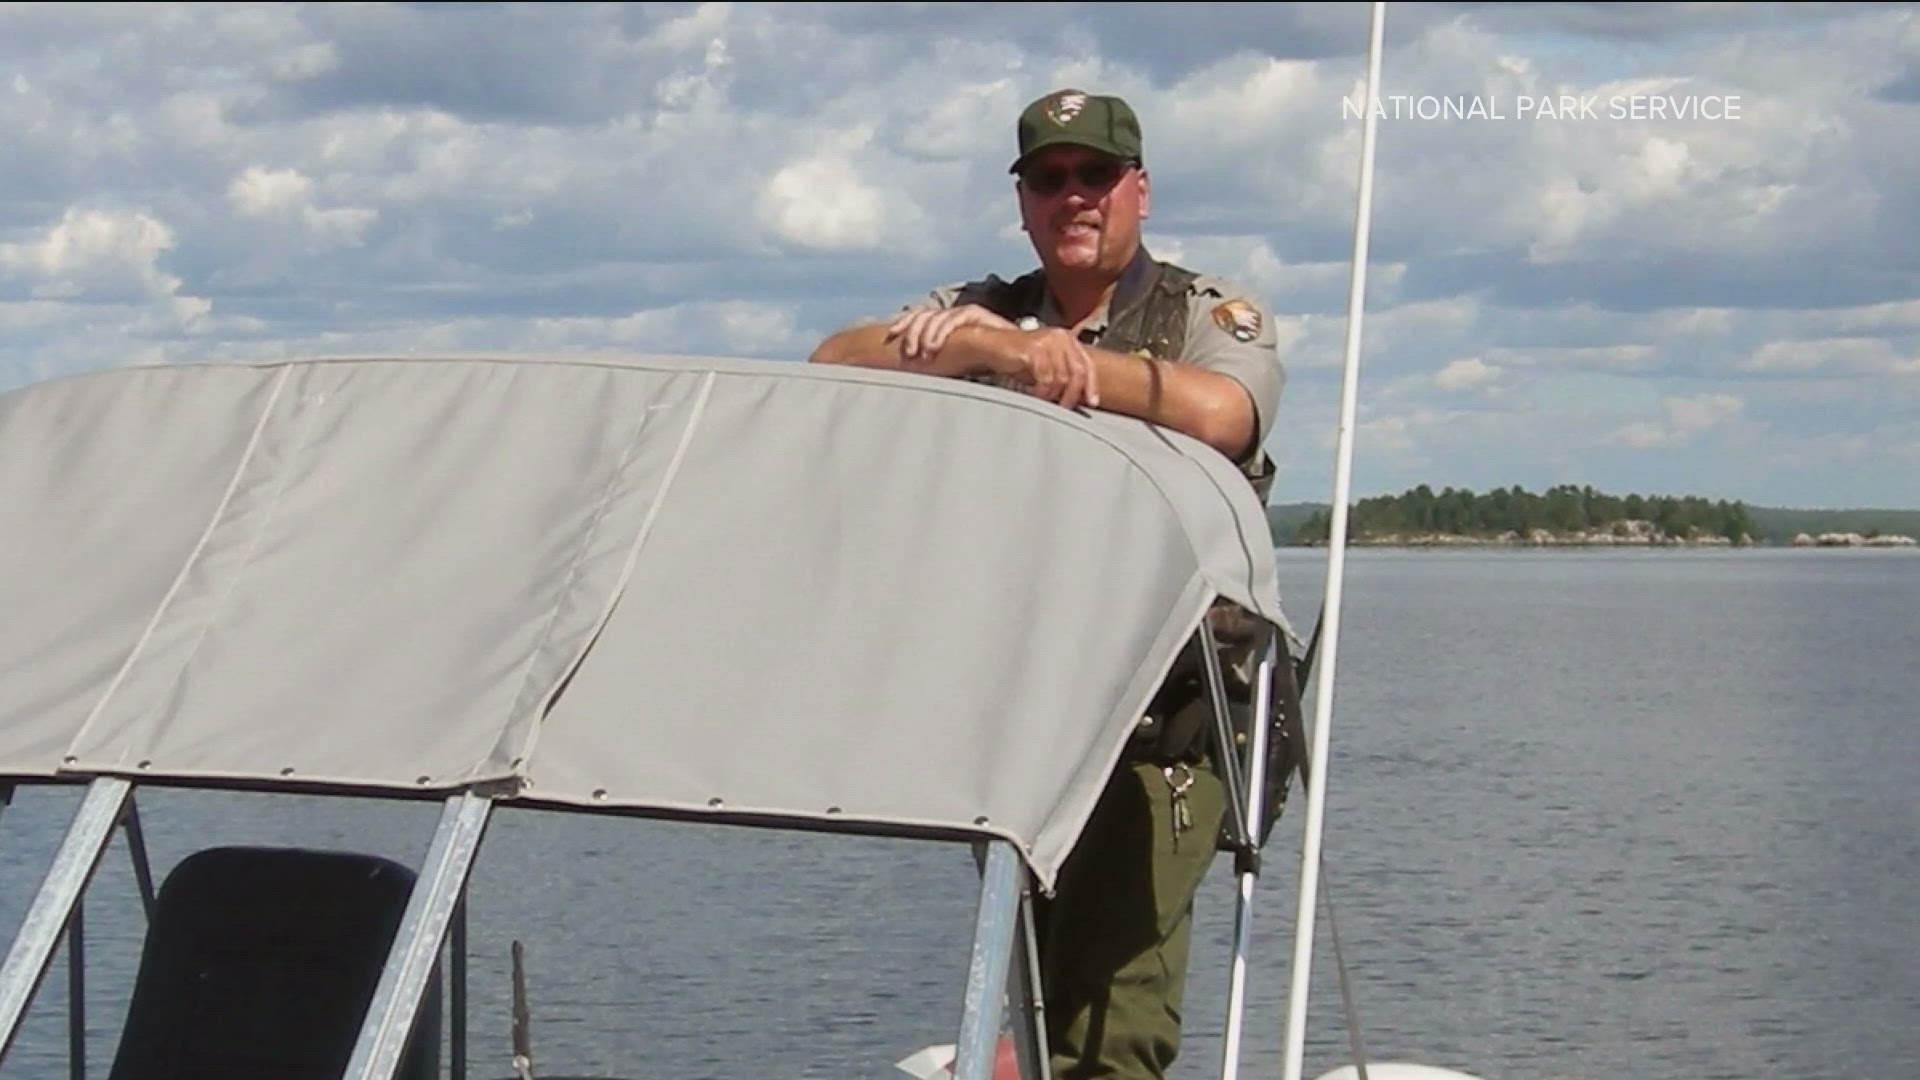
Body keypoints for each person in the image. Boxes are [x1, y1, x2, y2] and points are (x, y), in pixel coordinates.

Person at [810, 88, 1284, 1080]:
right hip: (1027, 731)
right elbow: (831, 362)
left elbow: (1223, 412)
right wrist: (996, 348)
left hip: (1164, 737)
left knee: (1111, 1037)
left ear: (1138, 192)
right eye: (1049, 180)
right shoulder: (986, 311)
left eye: (1095, 178)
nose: (1074, 198)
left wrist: (1071, 373)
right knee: (1030, 990)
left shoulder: (1204, 313)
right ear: (1023, 202)